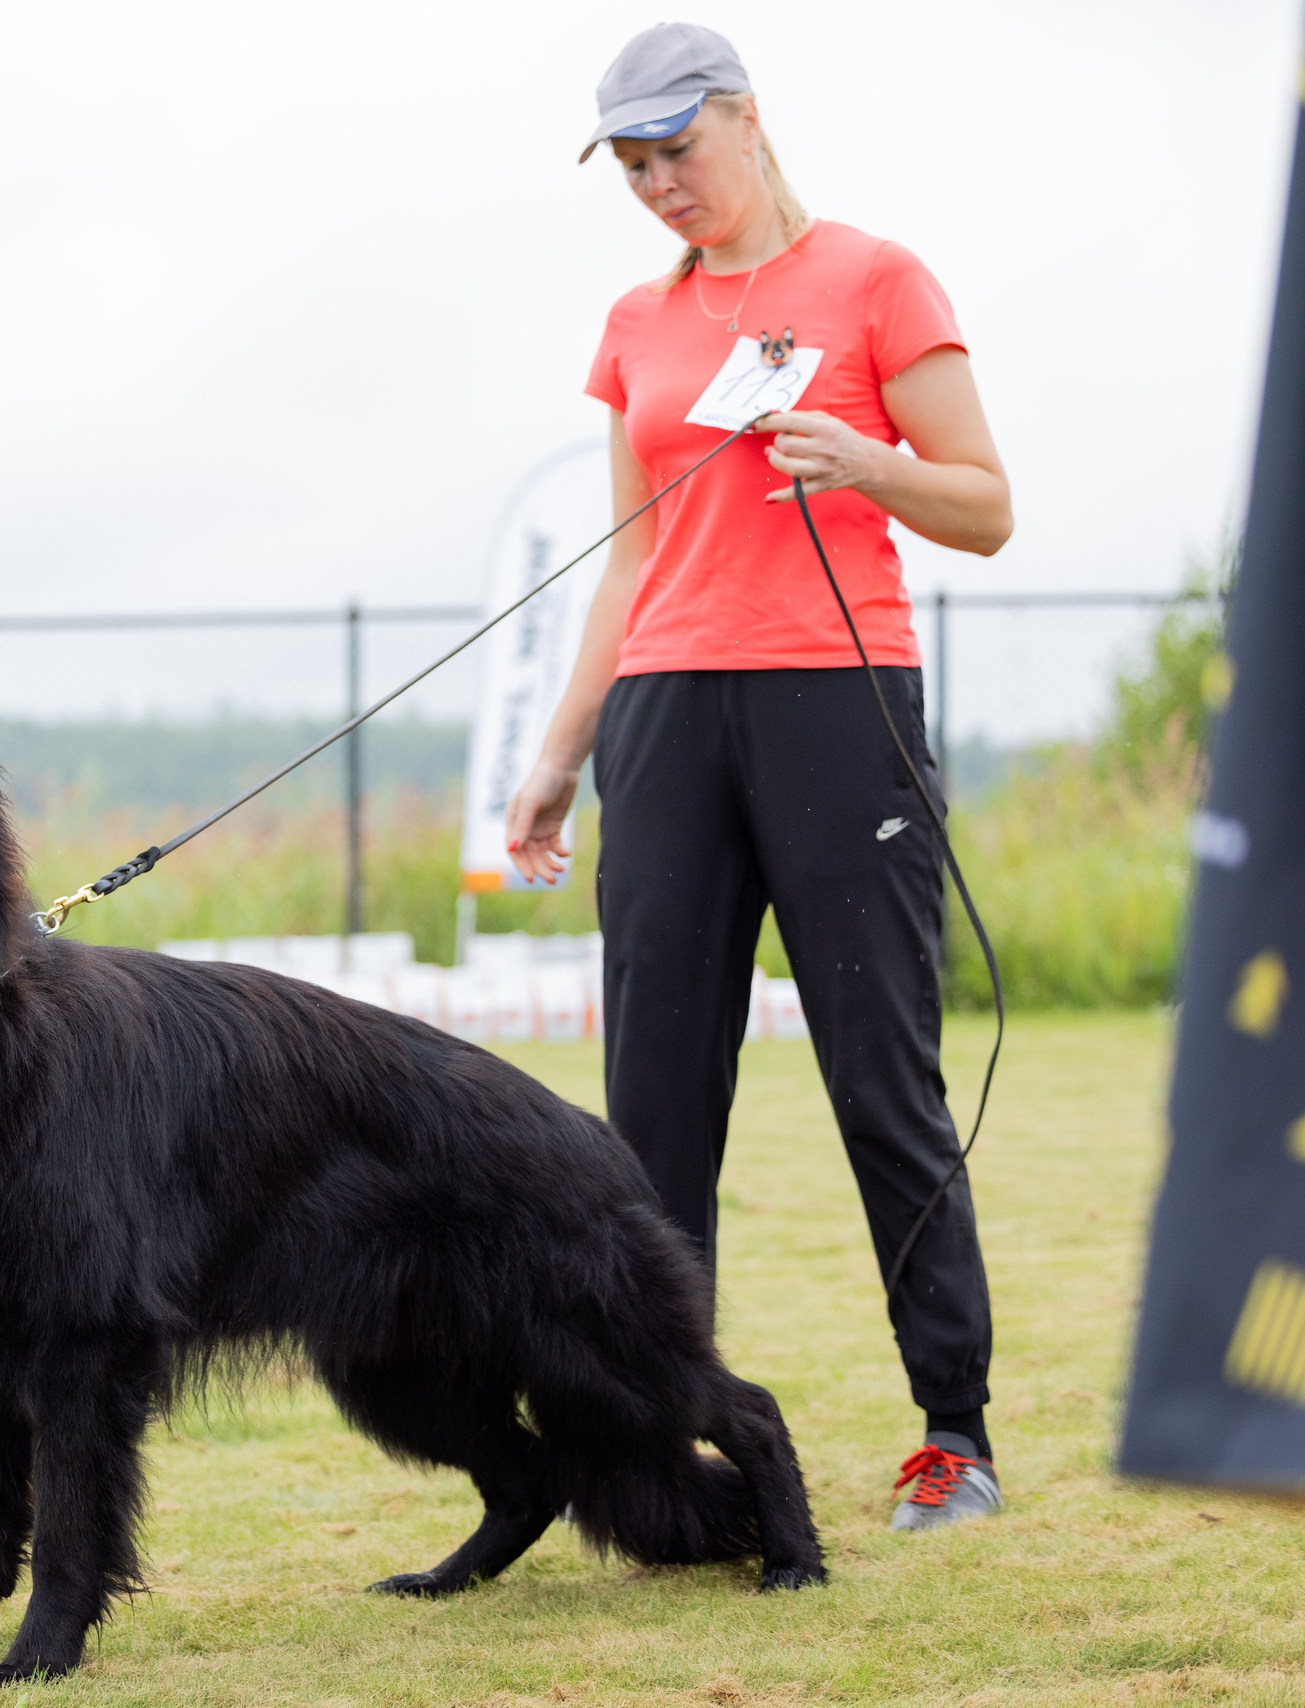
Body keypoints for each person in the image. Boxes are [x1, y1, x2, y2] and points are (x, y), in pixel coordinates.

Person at [506, 22, 1014, 1532]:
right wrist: (557, 757)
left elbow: (986, 508)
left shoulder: (876, 280)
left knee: (883, 1081)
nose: (662, 185)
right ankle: (660, 1446)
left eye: (680, 149)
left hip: (834, 700)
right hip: (662, 716)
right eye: (636, 166)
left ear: (747, 117)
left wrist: (864, 461)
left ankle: (953, 1433)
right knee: (650, 1110)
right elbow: (630, 558)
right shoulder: (635, 323)